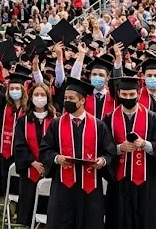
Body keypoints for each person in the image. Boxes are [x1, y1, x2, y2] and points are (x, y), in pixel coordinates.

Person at [39, 78, 116, 229]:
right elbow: (45, 149)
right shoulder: (57, 124)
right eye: (65, 98)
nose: (67, 101)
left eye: (71, 98)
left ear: (82, 101)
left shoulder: (98, 125)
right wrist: (56, 158)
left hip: (91, 188)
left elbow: (110, 150)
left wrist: (102, 161)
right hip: (63, 187)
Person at [104, 76, 156, 229]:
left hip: (145, 181)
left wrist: (145, 144)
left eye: (132, 95)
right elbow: (103, 149)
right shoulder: (109, 119)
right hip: (118, 182)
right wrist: (120, 148)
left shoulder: (152, 118)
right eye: (124, 95)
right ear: (119, 93)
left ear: (138, 93)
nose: (128, 98)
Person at [14, 81, 56, 228]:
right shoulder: (23, 121)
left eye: (43, 94)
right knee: (29, 200)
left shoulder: (55, 120)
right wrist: (34, 163)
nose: (39, 97)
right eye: (36, 94)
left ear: (48, 97)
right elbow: (19, 146)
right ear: (31, 98)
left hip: (50, 168)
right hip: (29, 168)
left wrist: (47, 163)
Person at [0, 70, 27, 201]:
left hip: (21, 151)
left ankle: (17, 208)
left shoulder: (28, 109)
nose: (14, 91)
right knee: (3, 174)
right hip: (4, 149)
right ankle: (4, 203)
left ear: (23, 90)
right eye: (12, 88)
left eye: (17, 88)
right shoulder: (3, 105)